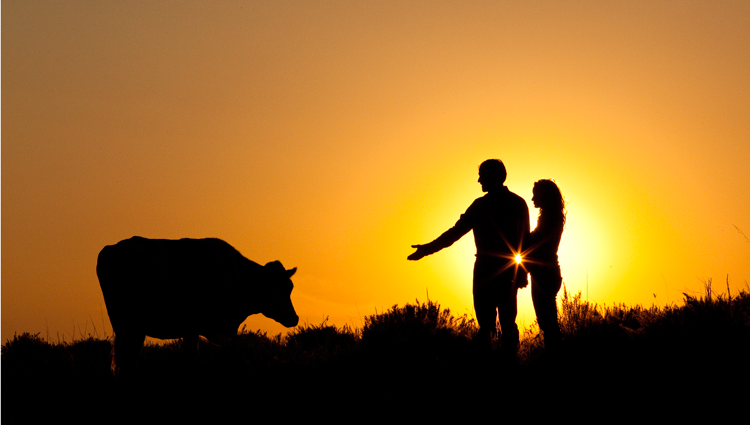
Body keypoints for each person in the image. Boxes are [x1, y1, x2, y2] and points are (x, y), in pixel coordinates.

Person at [408, 159, 530, 355]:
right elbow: (526, 243)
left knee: (493, 324)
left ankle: (496, 366)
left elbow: (454, 233)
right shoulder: (516, 203)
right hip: (504, 270)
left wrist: (427, 249)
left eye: (482, 175)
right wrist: (427, 249)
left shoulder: (485, 205)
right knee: (504, 323)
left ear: (494, 176)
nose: (479, 180)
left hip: (490, 271)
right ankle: (504, 364)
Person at [525, 179, 565, 351]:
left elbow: (538, 242)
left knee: (548, 322)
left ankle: (555, 359)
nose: (533, 198)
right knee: (547, 321)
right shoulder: (551, 216)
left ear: (545, 195)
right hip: (545, 272)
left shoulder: (551, 217)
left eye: (536, 194)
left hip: (545, 273)